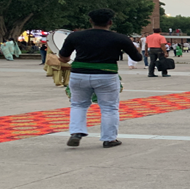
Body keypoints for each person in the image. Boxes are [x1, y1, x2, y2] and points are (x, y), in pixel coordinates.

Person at [59, 9, 143, 148]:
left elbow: (64, 57)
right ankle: (109, 139)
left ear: (90, 21)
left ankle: (76, 132)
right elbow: (137, 58)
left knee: (78, 104)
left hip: (79, 74)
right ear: (110, 22)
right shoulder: (120, 38)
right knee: (109, 107)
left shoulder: (75, 36)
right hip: (106, 75)